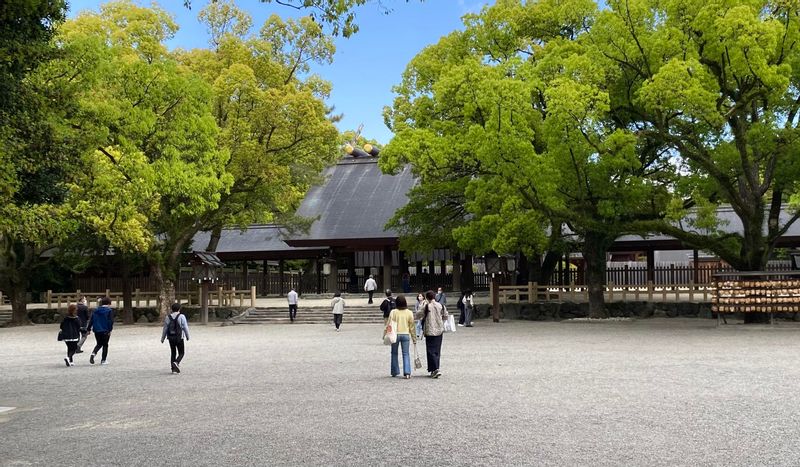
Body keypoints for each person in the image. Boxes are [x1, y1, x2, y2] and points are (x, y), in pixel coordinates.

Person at [416, 290, 448, 378]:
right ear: (434, 297)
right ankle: (435, 367)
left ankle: (435, 369)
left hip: (430, 330)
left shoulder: (426, 306)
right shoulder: (441, 305)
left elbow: (418, 315)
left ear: (427, 298)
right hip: (439, 330)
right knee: (437, 350)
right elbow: (446, 315)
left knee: (430, 350)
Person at [385, 295, 416, 379]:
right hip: (405, 334)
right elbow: (412, 326)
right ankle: (407, 372)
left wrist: (385, 333)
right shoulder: (409, 312)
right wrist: (414, 337)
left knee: (394, 353)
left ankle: (394, 371)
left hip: (395, 334)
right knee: (406, 353)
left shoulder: (393, 312)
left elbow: (389, 323)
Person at [161, 302, 190, 373]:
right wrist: (187, 336)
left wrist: (163, 338)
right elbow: (185, 327)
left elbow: (165, 328)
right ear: (179, 309)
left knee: (173, 352)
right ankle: (176, 363)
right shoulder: (181, 316)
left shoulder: (168, 317)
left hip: (171, 337)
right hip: (179, 337)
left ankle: (173, 369)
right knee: (181, 352)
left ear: (172, 309)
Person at [87, 297, 114, 365]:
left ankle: (93, 353)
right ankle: (103, 360)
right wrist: (110, 329)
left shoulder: (95, 310)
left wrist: (88, 329)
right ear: (108, 303)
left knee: (99, 343)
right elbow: (110, 321)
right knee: (105, 345)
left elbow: (91, 320)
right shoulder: (109, 311)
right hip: (105, 329)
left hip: (97, 330)